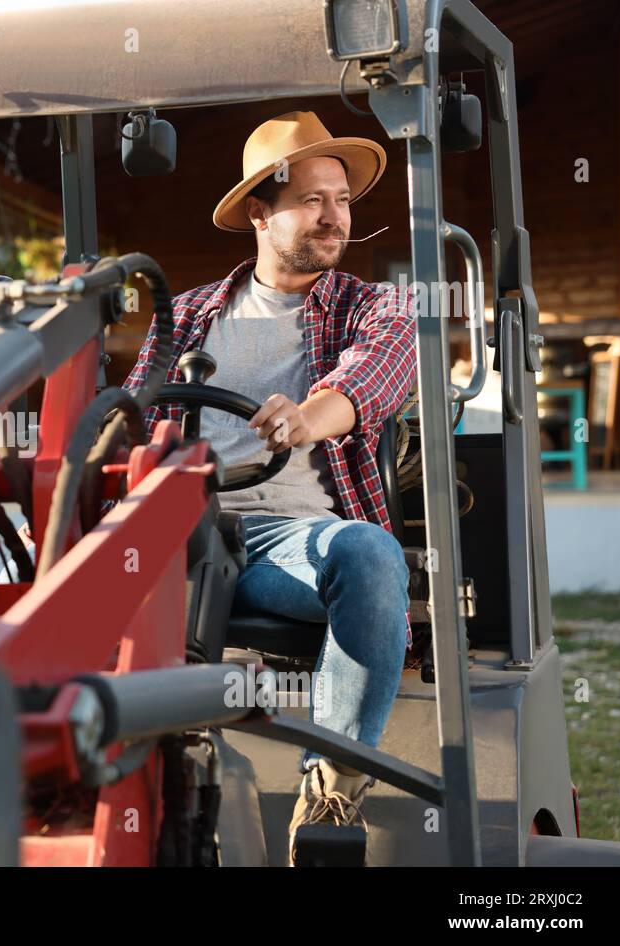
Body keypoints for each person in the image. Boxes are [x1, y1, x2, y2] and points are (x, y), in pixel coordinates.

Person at [123, 110, 418, 864]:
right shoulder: (184, 316)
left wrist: (308, 419)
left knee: (372, 555)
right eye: (313, 199)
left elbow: (373, 380)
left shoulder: (370, 307)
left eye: (343, 200)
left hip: (293, 544)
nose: (334, 216)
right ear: (260, 210)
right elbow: (123, 423)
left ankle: (331, 788)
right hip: (183, 532)